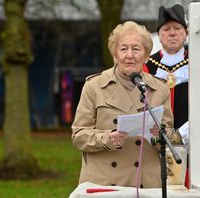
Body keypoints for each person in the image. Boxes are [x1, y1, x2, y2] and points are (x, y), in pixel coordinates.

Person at [71, 21, 173, 188]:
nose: (129, 55)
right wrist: (107, 138)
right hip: (104, 182)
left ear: (147, 56)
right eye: (123, 49)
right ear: (115, 55)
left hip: (145, 184)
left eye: (136, 49)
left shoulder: (160, 89)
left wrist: (159, 136)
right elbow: (79, 136)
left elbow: (169, 137)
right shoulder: (94, 86)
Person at [143, 4, 200, 187]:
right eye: (166, 29)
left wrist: (182, 136)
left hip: (194, 143)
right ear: (159, 35)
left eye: (177, 28)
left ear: (186, 33)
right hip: (154, 141)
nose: (172, 33)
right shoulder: (145, 69)